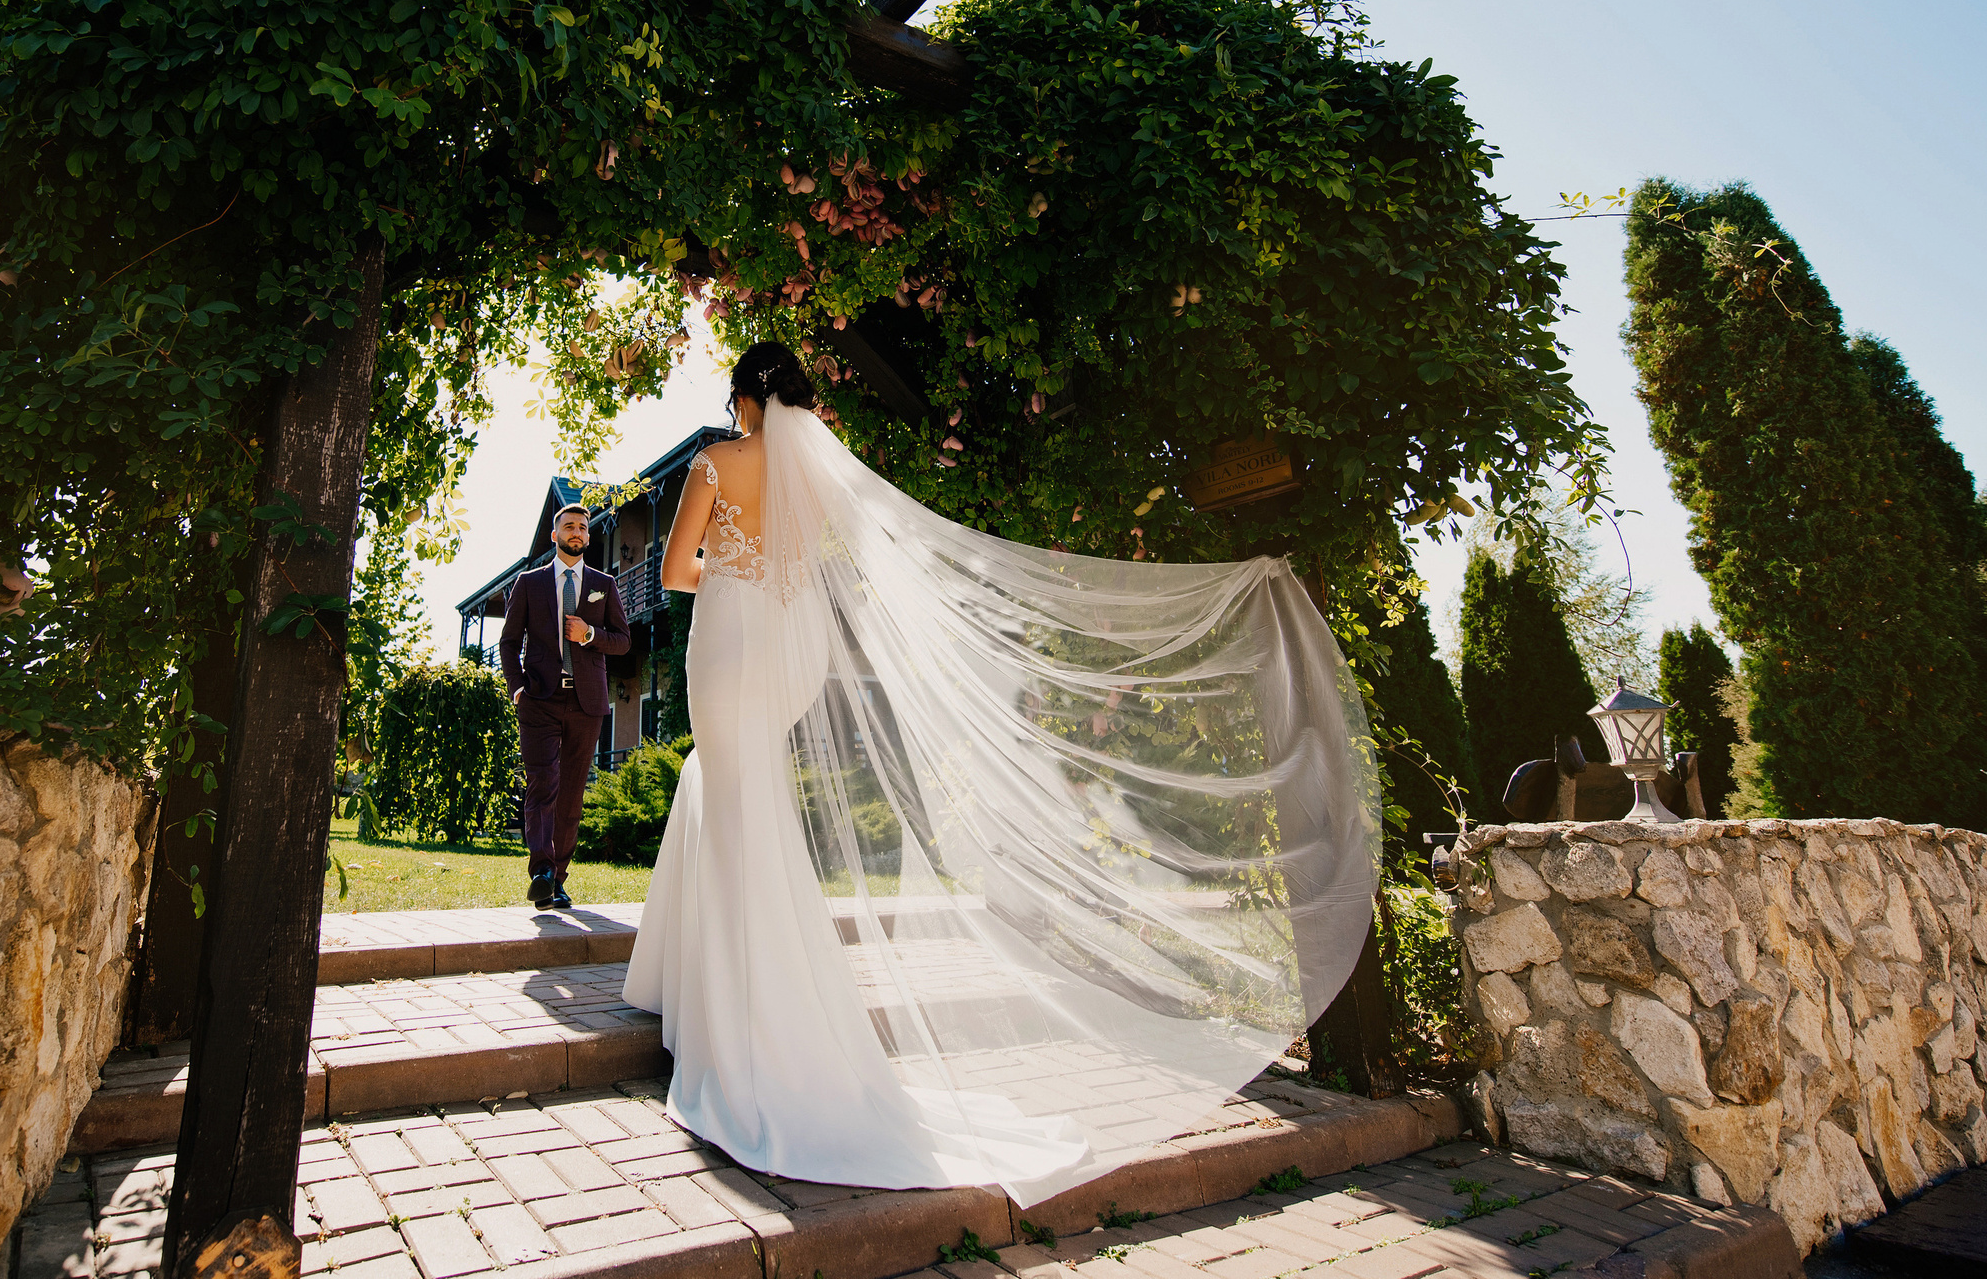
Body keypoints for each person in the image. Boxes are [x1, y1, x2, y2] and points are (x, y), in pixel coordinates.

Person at [623, 342, 1376, 1207]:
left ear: (744, 398)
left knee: (732, 794)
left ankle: (732, 1014)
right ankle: (726, 992)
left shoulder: (717, 461)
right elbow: (824, 566)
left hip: (729, 642)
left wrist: (731, 565)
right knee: (740, 797)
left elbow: (676, 570)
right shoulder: (818, 478)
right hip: (792, 652)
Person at [496, 503, 631, 910]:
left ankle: (557, 879)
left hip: (586, 702)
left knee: (571, 794)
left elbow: (623, 641)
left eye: (583, 528)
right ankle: (541, 871)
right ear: (555, 536)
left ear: (589, 536)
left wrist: (589, 634)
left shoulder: (604, 584)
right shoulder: (529, 583)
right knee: (542, 784)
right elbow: (508, 642)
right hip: (539, 699)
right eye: (569, 526)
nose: (577, 532)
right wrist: (517, 688)